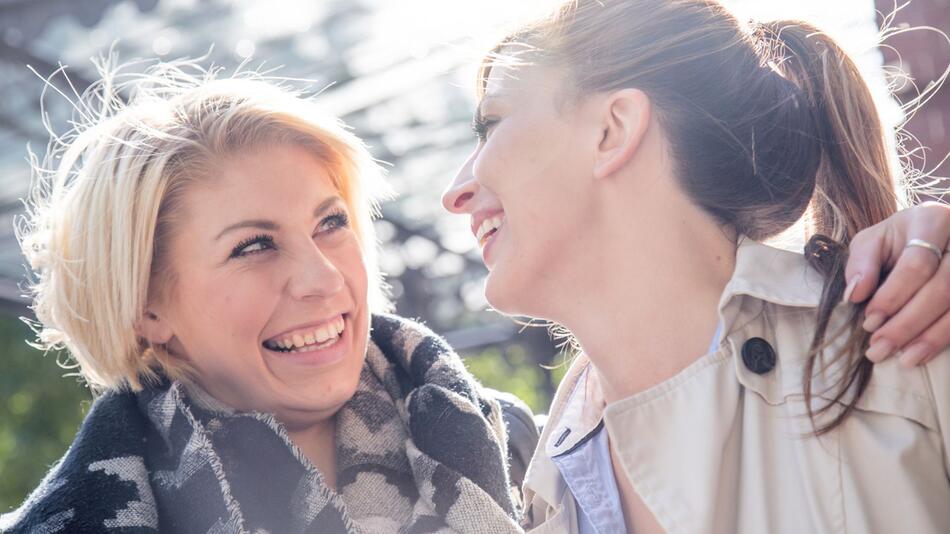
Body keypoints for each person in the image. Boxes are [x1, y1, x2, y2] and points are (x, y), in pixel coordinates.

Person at [441, 1, 950, 532]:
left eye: (490, 124)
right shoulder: (548, 497)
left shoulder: (911, 349)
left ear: (612, 130)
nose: (455, 193)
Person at [0, 65, 532, 533]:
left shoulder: (512, 446)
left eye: (331, 222)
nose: (322, 278)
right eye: (253, 246)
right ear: (145, 307)